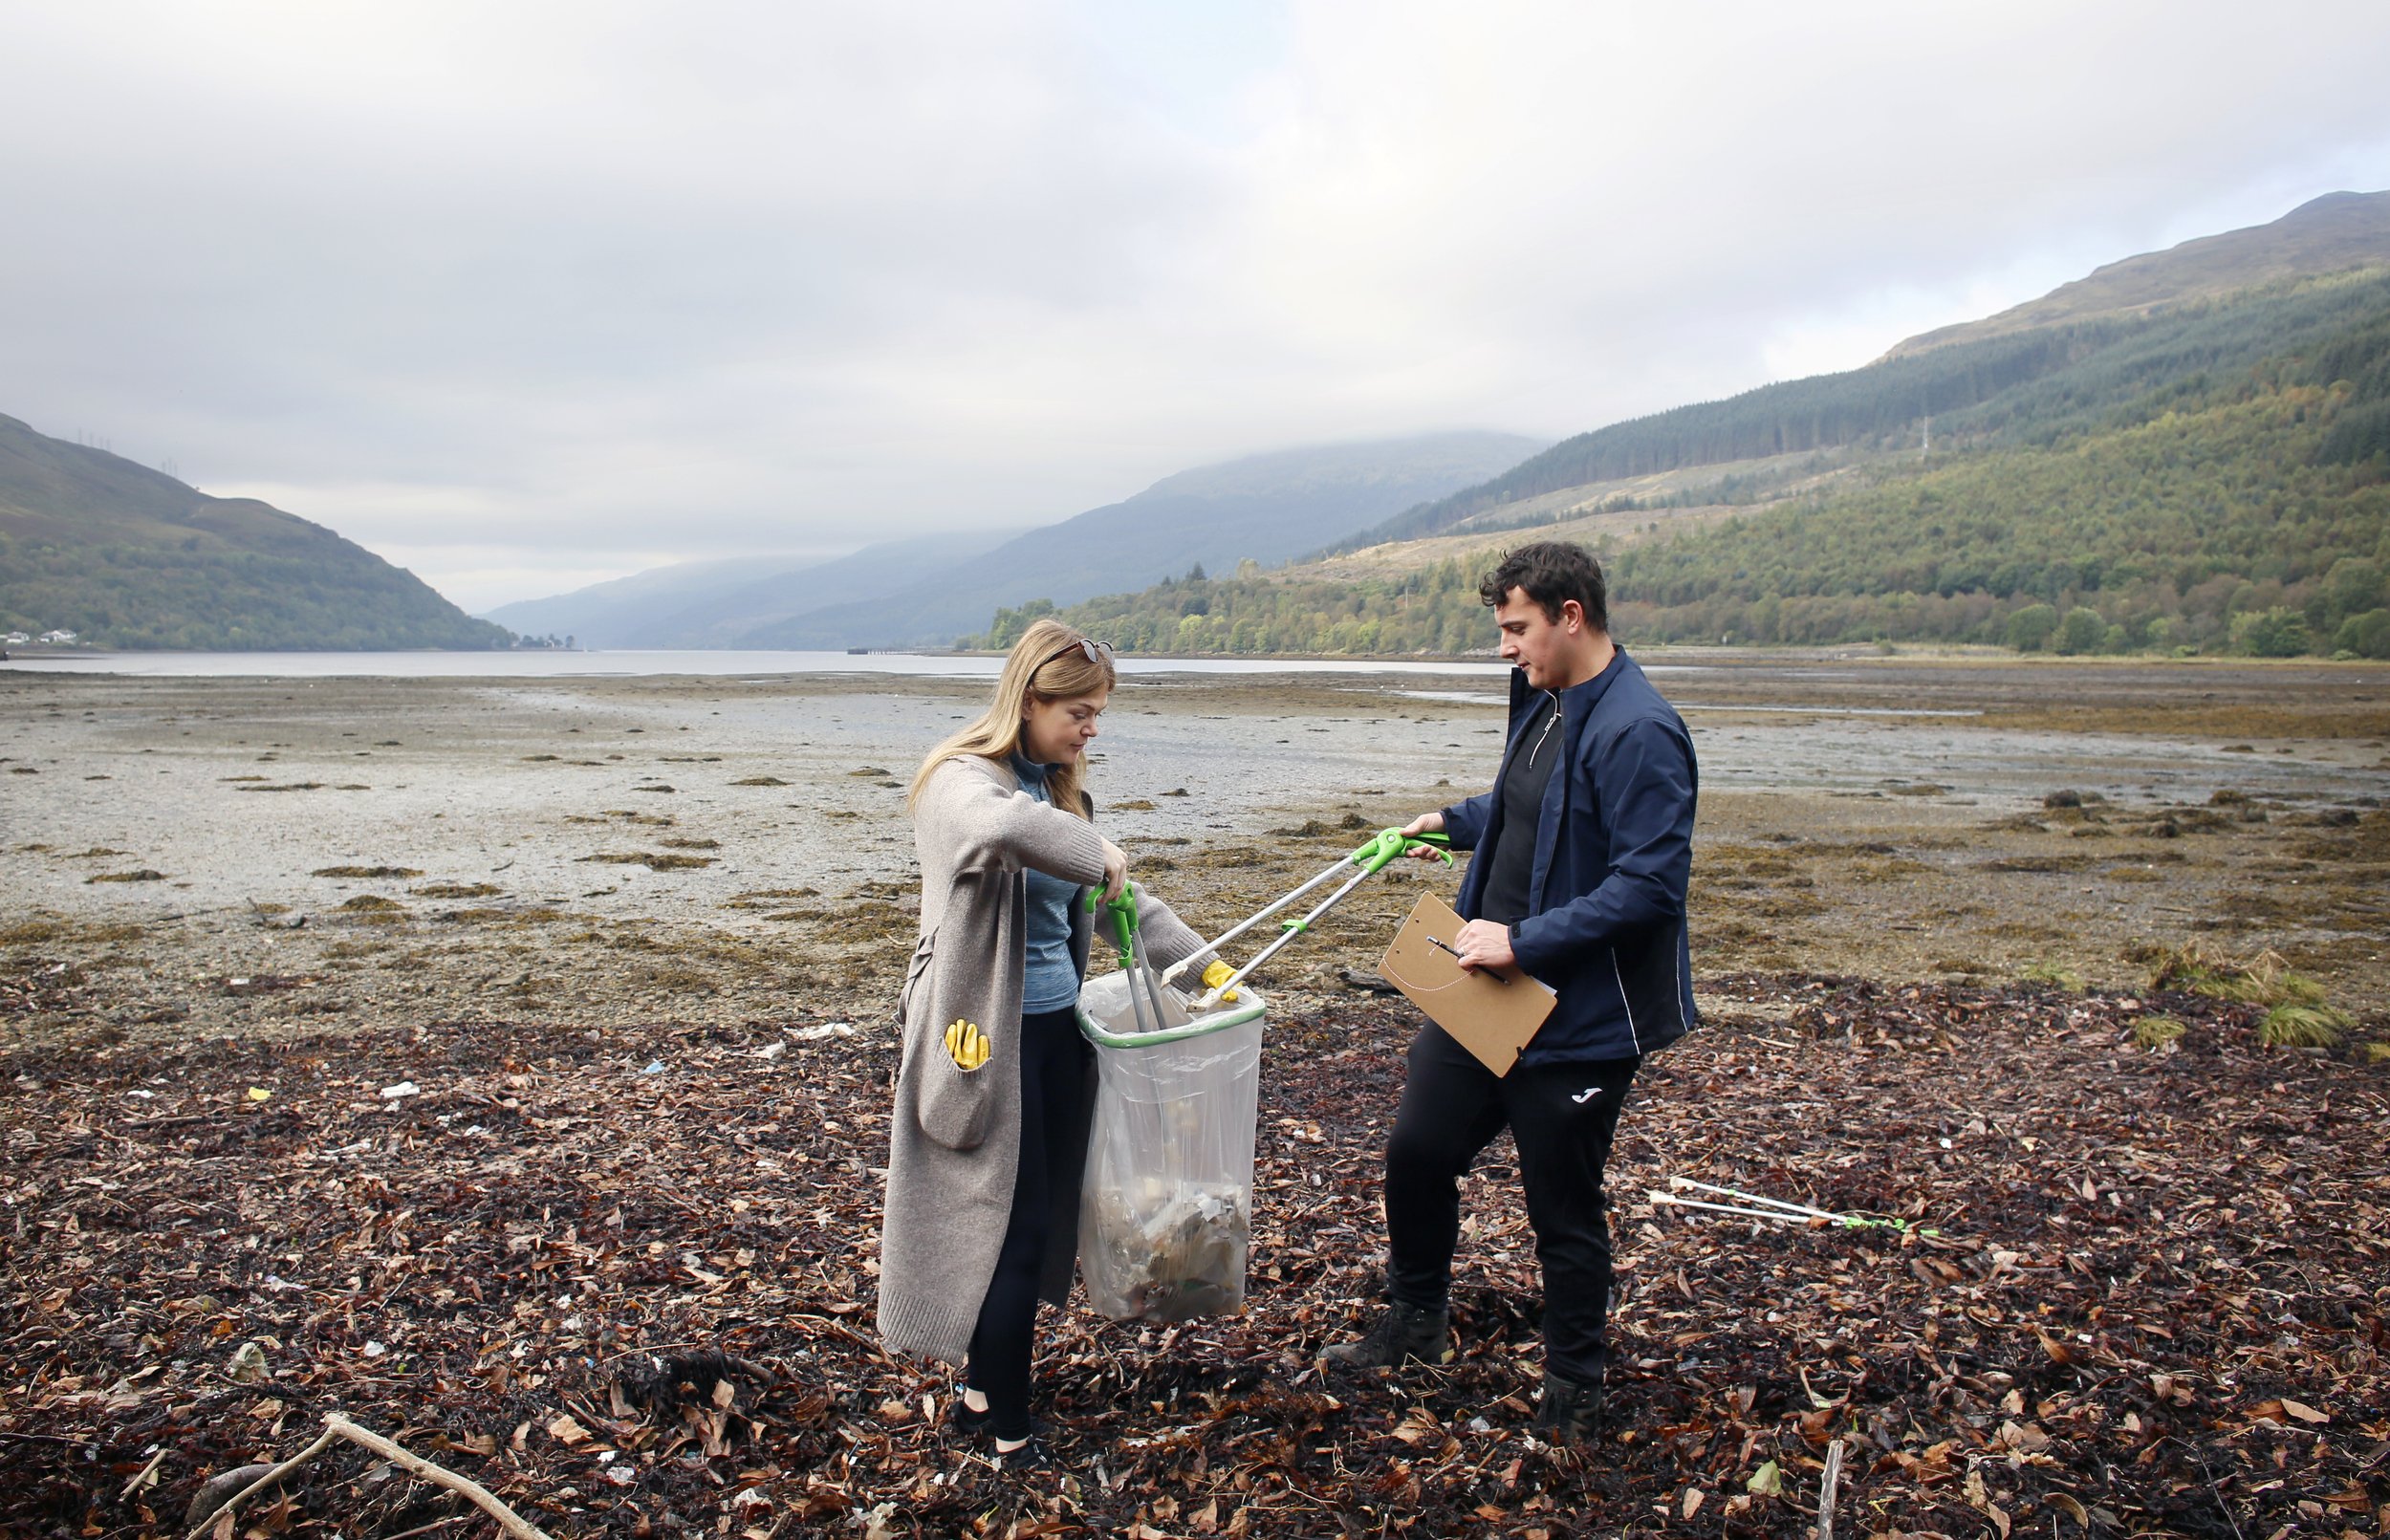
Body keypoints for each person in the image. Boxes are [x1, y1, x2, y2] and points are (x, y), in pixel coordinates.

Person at [1324, 540, 1698, 1445]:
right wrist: (1451, 823)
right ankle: (1416, 1321)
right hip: (1481, 991)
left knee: (1561, 1209)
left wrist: (1522, 939)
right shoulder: (1545, 699)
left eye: (1516, 627)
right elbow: (1532, 804)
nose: (1506, 646)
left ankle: (1575, 1388)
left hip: (1580, 1015)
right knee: (1417, 1153)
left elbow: (1650, 885)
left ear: (1571, 616)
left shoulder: (1641, 729)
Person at [879, 618, 1219, 1471]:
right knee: (1010, 1233)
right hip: (980, 1046)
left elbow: (1118, 905)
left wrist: (1207, 971)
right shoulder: (959, 780)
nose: (1091, 728)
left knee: (1033, 1226)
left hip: (1059, 1037)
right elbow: (999, 829)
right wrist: (1091, 847)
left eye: (1099, 713)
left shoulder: (1063, 797)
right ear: (1028, 700)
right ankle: (1010, 1436)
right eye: (1079, 711)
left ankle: (979, 1397)